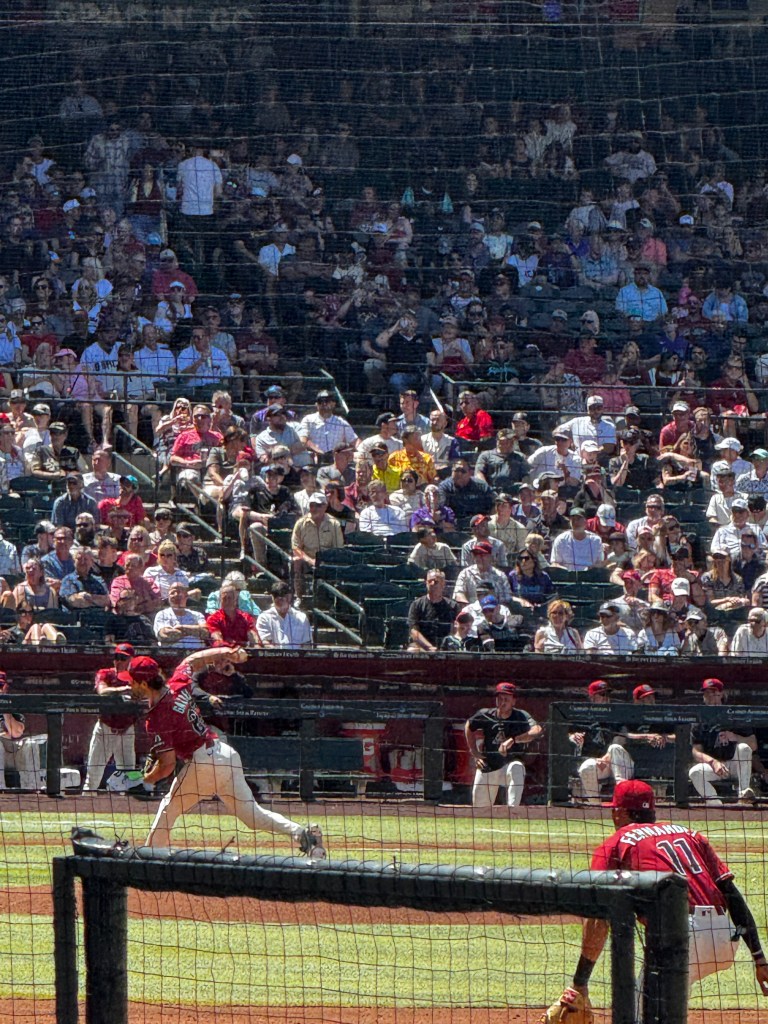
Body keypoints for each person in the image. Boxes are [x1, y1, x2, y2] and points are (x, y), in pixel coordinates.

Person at [567, 779, 768, 1004]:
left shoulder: (615, 844)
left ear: (619, 812)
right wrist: (759, 957)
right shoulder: (690, 835)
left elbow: (597, 918)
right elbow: (731, 893)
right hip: (725, 939)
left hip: (680, 936)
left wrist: (580, 982)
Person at [122, 653, 325, 857]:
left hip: (204, 762)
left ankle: (149, 859)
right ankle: (304, 835)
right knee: (253, 816)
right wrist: (227, 652)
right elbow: (192, 660)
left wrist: (143, 779)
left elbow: (166, 766)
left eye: (132, 681)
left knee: (169, 807)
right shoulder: (178, 684)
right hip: (224, 753)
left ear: (144, 684)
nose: (129, 685)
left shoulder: (157, 717)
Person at [463, 681, 542, 810]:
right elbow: (469, 726)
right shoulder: (486, 714)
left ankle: (512, 810)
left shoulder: (520, 716)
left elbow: (537, 730)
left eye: (506, 699)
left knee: (517, 767)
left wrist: (514, 740)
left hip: (509, 766)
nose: (502, 702)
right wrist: (475, 753)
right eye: (499, 698)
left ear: (513, 701)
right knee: (479, 809)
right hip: (489, 765)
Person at [689, 677, 757, 805]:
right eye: (706, 693)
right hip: (716, 767)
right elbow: (696, 751)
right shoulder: (700, 718)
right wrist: (713, 762)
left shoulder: (734, 713)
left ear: (721, 694)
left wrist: (735, 737)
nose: (710, 696)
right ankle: (715, 804)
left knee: (743, 748)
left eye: (713, 692)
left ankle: (743, 794)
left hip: (736, 764)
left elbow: (753, 745)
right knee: (694, 772)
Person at [82, 643, 138, 792]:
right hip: (106, 728)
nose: (118, 661)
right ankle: (85, 807)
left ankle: (129, 810)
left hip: (126, 731)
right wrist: (123, 689)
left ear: (131, 660)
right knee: (92, 777)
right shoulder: (106, 673)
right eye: (116, 657)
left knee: (129, 777)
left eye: (123, 658)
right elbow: (102, 691)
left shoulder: (137, 677)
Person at [571, 680, 634, 803]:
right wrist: (573, 736)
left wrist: (607, 756)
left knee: (615, 747)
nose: (606, 698)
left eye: (608, 694)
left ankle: (622, 801)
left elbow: (621, 737)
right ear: (592, 697)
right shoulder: (583, 716)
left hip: (621, 763)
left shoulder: (616, 714)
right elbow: (567, 732)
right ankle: (595, 807)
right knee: (587, 767)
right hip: (599, 764)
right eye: (603, 694)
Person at [407, 570, 459, 652]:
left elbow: (456, 629)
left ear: (443, 584)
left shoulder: (452, 606)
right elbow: (414, 631)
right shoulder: (417, 604)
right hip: (423, 647)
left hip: (447, 647)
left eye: (435, 582)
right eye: (429, 581)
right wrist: (429, 647)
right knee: (412, 650)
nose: (431, 584)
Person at [256, 581, 312, 649]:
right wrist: (281, 655)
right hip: (273, 658)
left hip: (297, 658)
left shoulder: (302, 617)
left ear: (289, 596)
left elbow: (306, 644)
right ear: (272, 597)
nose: (279, 599)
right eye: (276, 596)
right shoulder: (264, 617)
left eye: (282, 595)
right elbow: (266, 642)